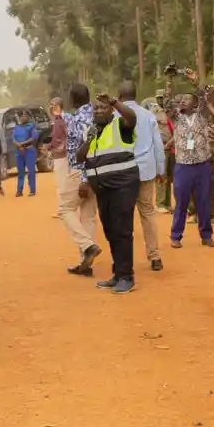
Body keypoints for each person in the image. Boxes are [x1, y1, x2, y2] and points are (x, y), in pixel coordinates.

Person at [77, 91, 140, 294]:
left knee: (122, 231)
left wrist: (114, 100)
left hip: (123, 185)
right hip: (102, 189)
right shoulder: (92, 130)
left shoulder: (120, 125)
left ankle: (127, 277)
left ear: (111, 109)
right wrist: (89, 139)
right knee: (111, 232)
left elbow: (132, 117)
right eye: (96, 108)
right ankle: (118, 274)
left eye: (103, 107)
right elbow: (80, 157)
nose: (99, 110)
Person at [164, 69, 214, 248]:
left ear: (194, 103)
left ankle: (206, 235)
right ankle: (176, 236)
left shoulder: (202, 116)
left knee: (203, 202)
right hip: (183, 166)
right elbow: (167, 105)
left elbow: (204, 97)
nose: (183, 102)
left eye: (187, 99)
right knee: (181, 202)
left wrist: (195, 80)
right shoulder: (177, 119)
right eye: (182, 100)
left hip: (202, 165)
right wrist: (169, 82)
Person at [119, 79, 167, 273]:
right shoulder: (148, 115)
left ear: (120, 96)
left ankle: (125, 260)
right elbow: (158, 145)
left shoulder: (115, 116)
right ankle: (154, 256)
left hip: (123, 171)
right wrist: (161, 170)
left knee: (124, 216)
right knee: (147, 213)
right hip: (146, 170)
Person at [61, 84, 103, 276]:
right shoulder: (95, 114)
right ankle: (85, 263)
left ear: (74, 100)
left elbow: (87, 148)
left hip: (81, 171)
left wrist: (84, 179)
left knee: (65, 209)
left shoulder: (79, 119)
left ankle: (88, 247)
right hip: (96, 171)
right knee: (88, 215)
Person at [11, 111, 39, 197]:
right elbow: (13, 138)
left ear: (28, 117)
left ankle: (32, 190)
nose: (23, 118)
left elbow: (34, 137)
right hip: (19, 151)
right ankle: (19, 191)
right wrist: (17, 144)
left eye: (25, 116)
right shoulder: (16, 127)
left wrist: (23, 144)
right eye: (21, 116)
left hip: (29, 150)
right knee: (20, 172)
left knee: (31, 171)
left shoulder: (31, 126)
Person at [48, 99, 67, 216]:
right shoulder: (57, 120)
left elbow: (62, 138)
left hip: (61, 155)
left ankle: (63, 210)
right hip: (60, 154)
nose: (50, 107)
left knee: (61, 184)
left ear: (58, 106)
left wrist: (50, 146)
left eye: (52, 105)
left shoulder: (61, 120)